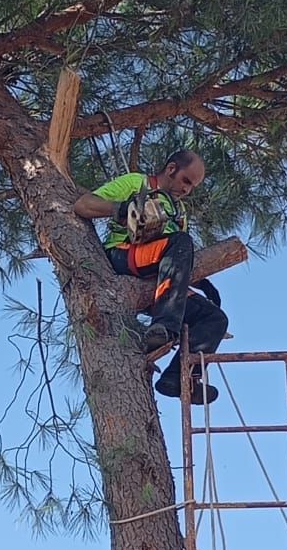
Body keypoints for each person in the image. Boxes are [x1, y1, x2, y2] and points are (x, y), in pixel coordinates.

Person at [73, 149, 228, 404]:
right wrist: (122, 209)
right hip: (124, 254)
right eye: (186, 181)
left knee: (214, 318)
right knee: (180, 241)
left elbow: (175, 259)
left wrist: (201, 283)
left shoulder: (179, 212)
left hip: (157, 272)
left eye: (193, 186)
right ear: (171, 169)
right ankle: (164, 327)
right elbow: (83, 205)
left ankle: (181, 378)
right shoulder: (137, 183)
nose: (187, 190)